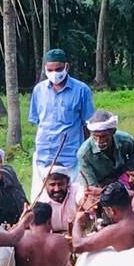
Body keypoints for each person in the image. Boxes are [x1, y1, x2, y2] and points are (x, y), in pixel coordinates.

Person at [27, 49, 95, 200]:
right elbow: (39, 121)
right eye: (50, 70)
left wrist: (87, 151)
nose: (54, 73)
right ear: (45, 68)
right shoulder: (39, 90)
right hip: (44, 155)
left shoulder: (81, 90)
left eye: (58, 69)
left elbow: (87, 124)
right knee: (42, 201)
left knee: (74, 198)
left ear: (67, 67)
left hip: (71, 155)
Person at [72, 182, 134, 253]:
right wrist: (102, 192)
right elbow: (133, 194)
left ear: (110, 210)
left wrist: (77, 220)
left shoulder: (116, 231)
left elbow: (78, 246)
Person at [76, 110, 134, 188]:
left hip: (125, 179)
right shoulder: (84, 154)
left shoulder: (126, 141)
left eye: (103, 136)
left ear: (113, 132)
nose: (99, 141)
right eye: (95, 136)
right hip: (100, 185)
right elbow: (92, 186)